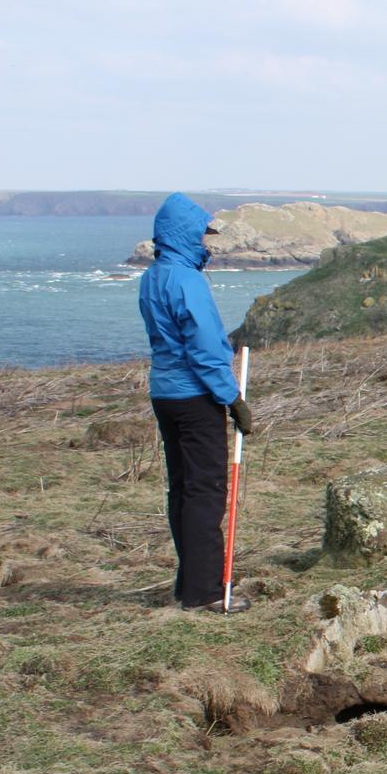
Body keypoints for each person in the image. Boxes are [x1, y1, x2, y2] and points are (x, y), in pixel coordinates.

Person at [138, 192, 256, 612]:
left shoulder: (152, 276)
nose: (207, 242)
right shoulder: (188, 281)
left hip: (165, 395)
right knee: (205, 492)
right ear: (184, 233)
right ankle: (206, 592)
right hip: (194, 396)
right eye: (202, 234)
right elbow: (204, 348)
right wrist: (232, 399)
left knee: (184, 490)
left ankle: (188, 584)